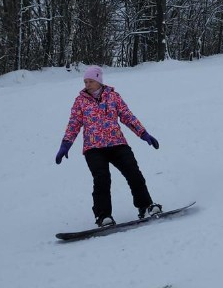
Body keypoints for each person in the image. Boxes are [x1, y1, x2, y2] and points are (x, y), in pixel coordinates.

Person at [55, 65, 161, 228]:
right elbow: (73, 124)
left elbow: (127, 116)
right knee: (102, 179)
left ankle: (145, 205)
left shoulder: (113, 97)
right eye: (85, 81)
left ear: (99, 80)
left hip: (117, 143)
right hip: (93, 148)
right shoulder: (80, 101)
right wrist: (65, 145)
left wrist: (143, 134)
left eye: (90, 81)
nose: (87, 84)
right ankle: (103, 216)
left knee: (133, 172)